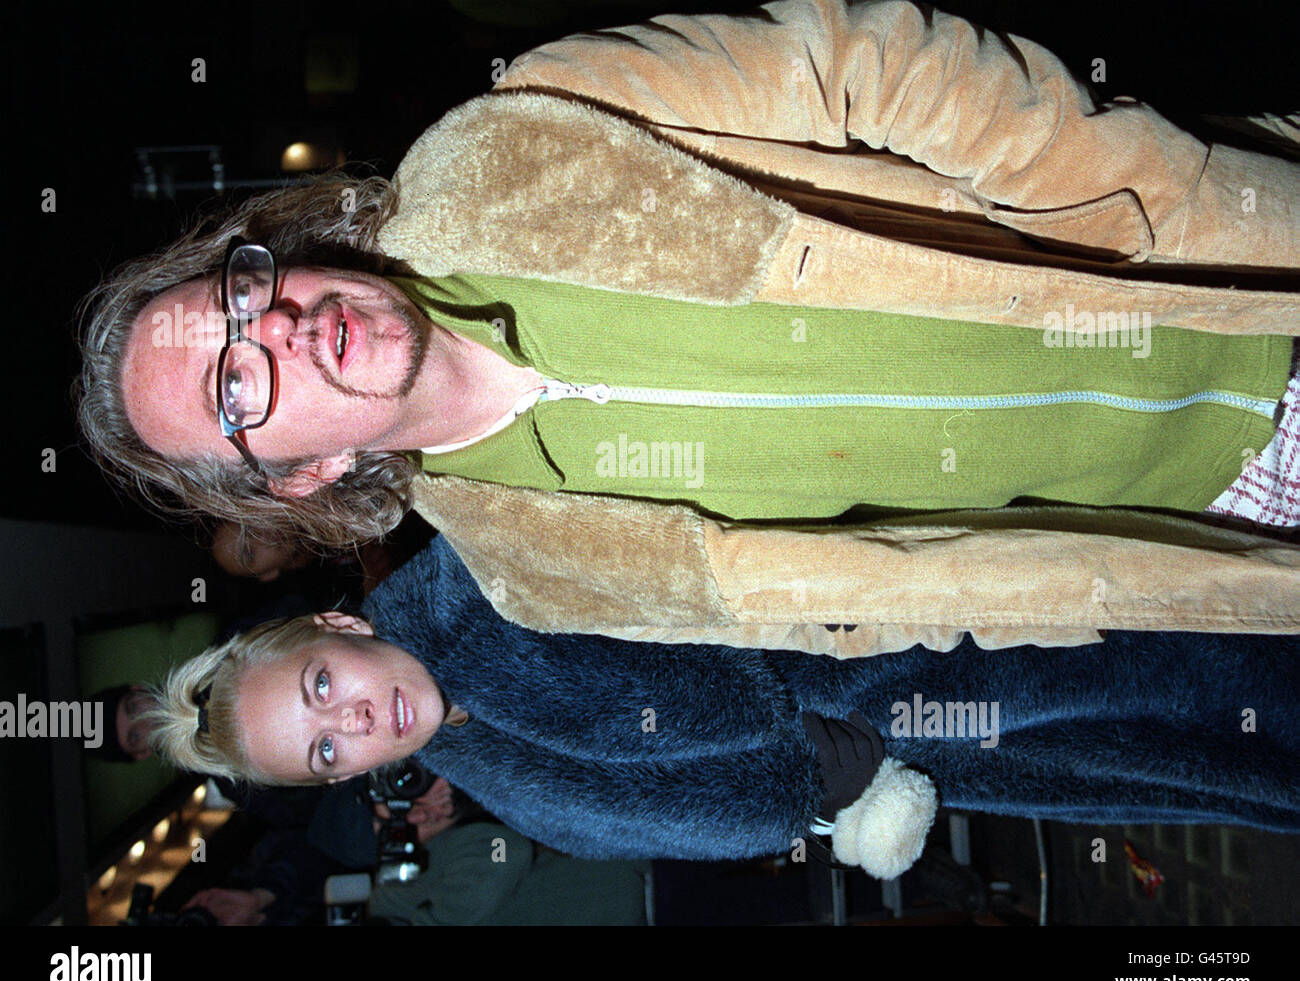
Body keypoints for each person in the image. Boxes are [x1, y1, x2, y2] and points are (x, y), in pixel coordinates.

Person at [78, 0, 1300, 660]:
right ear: (301, 477)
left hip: (1233, 270)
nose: (276, 330)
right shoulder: (539, 576)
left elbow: (863, 64)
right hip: (1234, 504)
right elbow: (866, 611)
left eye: (241, 295)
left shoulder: (513, 136)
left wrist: (1149, 203)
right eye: (239, 390)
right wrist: (1091, 584)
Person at [142, 534, 1300, 881]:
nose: (360, 721)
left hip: (908, 643)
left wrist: (796, 764)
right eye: (328, 748)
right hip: (897, 747)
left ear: (338, 630)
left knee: (1177, 667)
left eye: (323, 688)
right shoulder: (469, 744)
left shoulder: (486, 567)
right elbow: (638, 817)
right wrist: (812, 794)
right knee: (1161, 760)